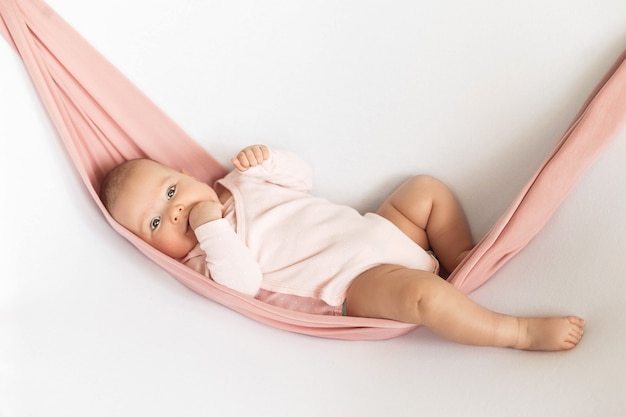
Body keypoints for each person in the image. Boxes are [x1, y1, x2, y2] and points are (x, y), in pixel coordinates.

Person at [100, 144, 585, 351]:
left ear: (185, 175)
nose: (178, 211)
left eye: (171, 193)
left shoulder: (236, 180)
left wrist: (269, 160)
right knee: (426, 298)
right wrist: (210, 226)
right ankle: (515, 332)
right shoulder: (207, 257)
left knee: (425, 190)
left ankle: (459, 260)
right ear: (155, 248)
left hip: (378, 232)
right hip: (353, 285)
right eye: (158, 221)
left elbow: (301, 182)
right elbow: (243, 284)